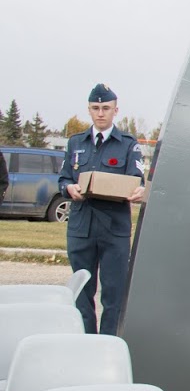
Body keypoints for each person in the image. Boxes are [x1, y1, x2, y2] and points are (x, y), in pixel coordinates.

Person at [57, 83, 146, 335]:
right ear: (89, 110)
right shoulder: (76, 143)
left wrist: (138, 190)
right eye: (95, 108)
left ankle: (107, 346)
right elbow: (63, 178)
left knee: (113, 294)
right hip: (81, 227)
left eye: (106, 108)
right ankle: (86, 344)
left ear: (116, 111)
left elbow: (136, 179)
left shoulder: (128, 145)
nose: (100, 113)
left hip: (113, 228)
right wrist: (69, 189)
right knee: (82, 293)